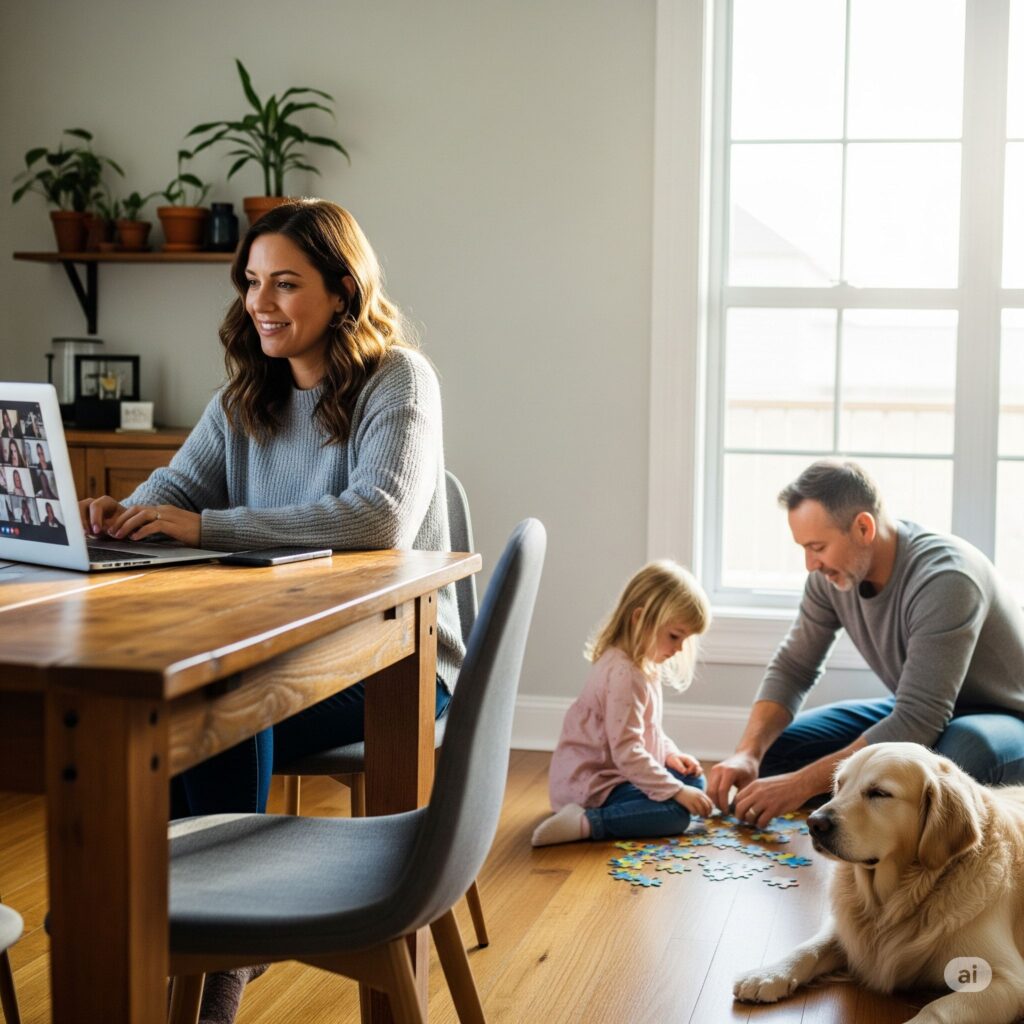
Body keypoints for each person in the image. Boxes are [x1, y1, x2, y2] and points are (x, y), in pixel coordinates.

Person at [77, 199, 463, 1023]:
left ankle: (218, 962)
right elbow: (169, 498)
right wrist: (120, 515)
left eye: (285, 284)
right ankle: (193, 930)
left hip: (398, 661)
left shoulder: (398, 379)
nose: (261, 303)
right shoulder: (243, 397)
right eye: (252, 282)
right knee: (184, 715)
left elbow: (379, 517)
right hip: (285, 653)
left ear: (341, 291)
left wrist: (207, 525)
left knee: (226, 711)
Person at [707, 459, 1024, 831]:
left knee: (958, 756)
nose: (811, 563)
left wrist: (799, 785)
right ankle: (865, 806)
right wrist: (748, 752)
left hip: (1001, 717)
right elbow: (795, 667)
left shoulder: (946, 578)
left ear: (863, 527)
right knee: (777, 753)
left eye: (818, 546)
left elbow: (920, 719)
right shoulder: (831, 577)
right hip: (920, 706)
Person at [532, 561, 714, 846]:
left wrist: (669, 755)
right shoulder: (625, 675)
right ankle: (586, 822)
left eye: (684, 639)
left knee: (695, 784)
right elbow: (627, 751)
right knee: (675, 815)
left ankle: (633, 809)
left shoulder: (643, 664)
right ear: (640, 619)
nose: (679, 648)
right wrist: (676, 792)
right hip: (593, 785)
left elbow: (646, 729)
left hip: (619, 773)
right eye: (675, 636)